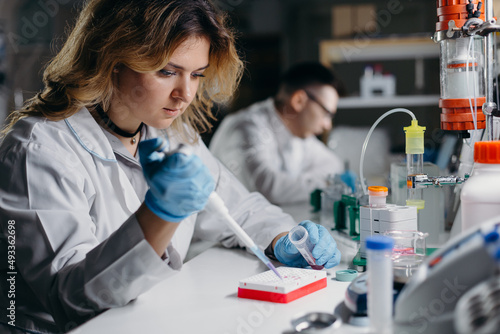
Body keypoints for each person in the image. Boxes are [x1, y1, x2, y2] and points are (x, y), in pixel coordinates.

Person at [0, 1, 341, 333]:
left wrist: (286, 238)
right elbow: (71, 299)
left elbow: (242, 209)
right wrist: (161, 215)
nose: (185, 94)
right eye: (167, 72)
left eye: (196, 74)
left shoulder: (176, 134)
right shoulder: (39, 151)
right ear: (112, 59)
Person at [210, 62, 346, 205]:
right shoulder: (246, 127)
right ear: (299, 100)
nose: (327, 125)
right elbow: (268, 189)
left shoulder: (299, 134)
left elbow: (334, 165)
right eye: (327, 114)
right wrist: (327, 184)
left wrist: (317, 182)